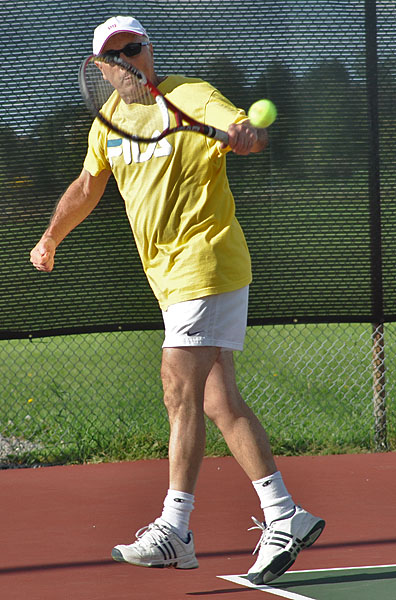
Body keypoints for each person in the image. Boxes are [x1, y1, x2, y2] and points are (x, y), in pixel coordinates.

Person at [30, 15, 325, 584]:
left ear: (149, 51)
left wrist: (247, 135)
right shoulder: (109, 121)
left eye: (132, 49)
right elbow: (89, 186)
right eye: (112, 57)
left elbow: (246, 130)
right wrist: (50, 237)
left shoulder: (192, 96)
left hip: (206, 262)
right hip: (169, 279)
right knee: (219, 400)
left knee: (177, 385)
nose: (125, 62)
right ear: (101, 70)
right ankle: (285, 514)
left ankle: (176, 528)